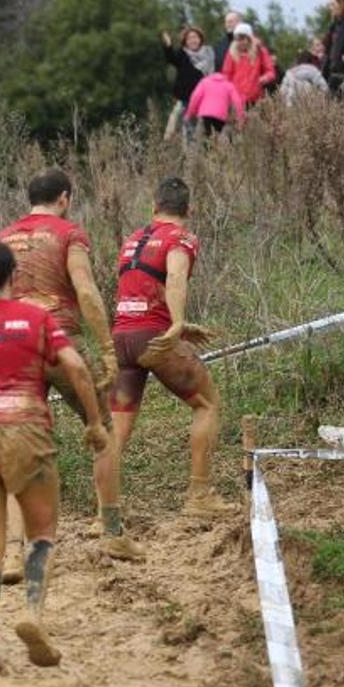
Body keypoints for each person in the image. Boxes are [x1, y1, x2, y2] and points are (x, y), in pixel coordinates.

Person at [0, 241, 108, 675]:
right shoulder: (37, 319)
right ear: (13, 277)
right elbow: (75, 367)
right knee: (41, 535)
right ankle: (32, 612)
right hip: (28, 432)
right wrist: (93, 421)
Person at [0, 169, 143, 563]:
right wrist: (107, 348)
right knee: (105, 431)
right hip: (59, 337)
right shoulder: (69, 233)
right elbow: (86, 291)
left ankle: (12, 551)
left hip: (12, 342)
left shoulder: (2, 238)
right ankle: (112, 532)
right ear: (64, 198)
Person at [110, 177, 231, 517]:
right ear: (188, 210)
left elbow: (140, 286)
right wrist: (177, 323)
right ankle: (200, 496)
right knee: (207, 403)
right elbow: (175, 277)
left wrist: (177, 324)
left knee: (116, 433)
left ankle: (103, 514)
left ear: (154, 207)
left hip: (122, 338)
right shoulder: (182, 238)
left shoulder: (132, 240)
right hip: (155, 337)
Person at [162, 27, 215, 140]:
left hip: (206, 100)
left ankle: (208, 154)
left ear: (200, 39)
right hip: (187, 100)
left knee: (207, 131)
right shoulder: (182, 54)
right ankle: (190, 155)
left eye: (195, 37)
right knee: (189, 130)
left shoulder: (209, 53)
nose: (193, 40)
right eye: (189, 38)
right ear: (185, 41)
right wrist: (168, 45)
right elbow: (171, 59)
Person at [221, 23, 276, 107]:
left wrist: (263, 79)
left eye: (242, 39)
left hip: (255, 98)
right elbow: (226, 74)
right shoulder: (231, 53)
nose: (239, 42)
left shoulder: (260, 51)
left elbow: (271, 72)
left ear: (249, 38)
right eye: (237, 39)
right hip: (236, 99)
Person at [184, 70, 245, 136]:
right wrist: (240, 119)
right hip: (220, 116)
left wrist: (189, 113)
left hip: (205, 114)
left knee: (206, 136)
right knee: (216, 137)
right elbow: (237, 102)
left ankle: (207, 145)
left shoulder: (204, 82)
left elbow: (195, 97)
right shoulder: (229, 85)